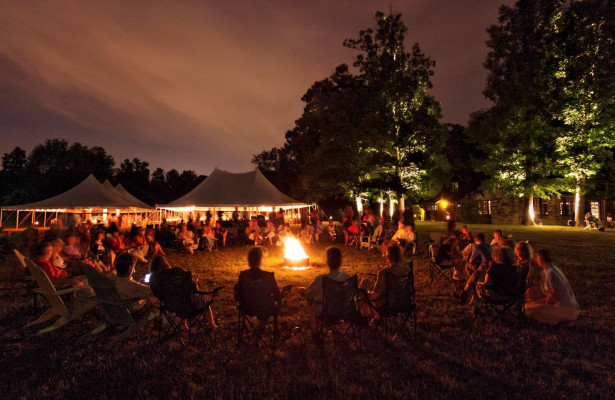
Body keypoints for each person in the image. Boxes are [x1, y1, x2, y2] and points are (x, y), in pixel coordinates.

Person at [149, 255, 218, 330]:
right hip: (188, 304)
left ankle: (183, 325)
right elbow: (192, 286)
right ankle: (212, 325)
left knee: (180, 297)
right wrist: (196, 287)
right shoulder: (178, 271)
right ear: (165, 263)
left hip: (170, 306)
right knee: (204, 300)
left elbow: (156, 293)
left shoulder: (152, 279)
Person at [524, 249, 580, 325]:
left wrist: (542, 305)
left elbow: (554, 295)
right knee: (530, 300)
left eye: (536, 257)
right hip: (570, 308)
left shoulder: (550, 273)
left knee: (527, 309)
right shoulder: (552, 269)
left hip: (564, 310)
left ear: (540, 258)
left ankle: (555, 319)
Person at [360, 244, 412, 318]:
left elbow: (374, 297)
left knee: (360, 296)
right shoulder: (407, 268)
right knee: (366, 281)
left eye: (385, 254)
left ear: (387, 256)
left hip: (389, 306)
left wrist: (366, 293)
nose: (384, 256)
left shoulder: (385, 272)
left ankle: (375, 316)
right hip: (405, 302)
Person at [305, 247, 350, 328]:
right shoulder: (347, 278)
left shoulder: (321, 279)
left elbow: (307, 293)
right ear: (340, 261)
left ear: (327, 262)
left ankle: (315, 332)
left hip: (327, 313)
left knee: (313, 306)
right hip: (345, 313)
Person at [236, 247, 282, 318]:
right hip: (266, 309)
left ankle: (263, 325)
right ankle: (263, 324)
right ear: (261, 260)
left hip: (247, 309)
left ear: (249, 260)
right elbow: (277, 294)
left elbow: (238, 294)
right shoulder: (268, 276)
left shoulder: (243, 275)